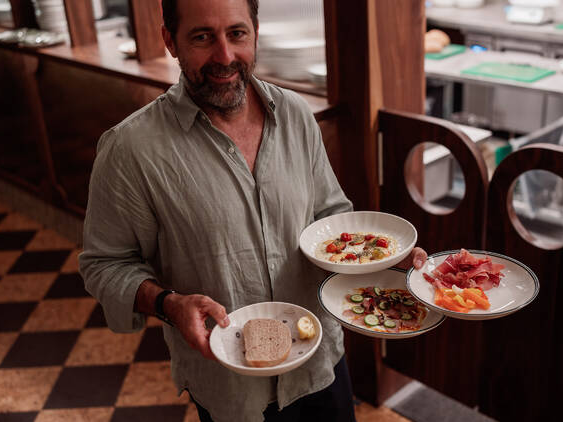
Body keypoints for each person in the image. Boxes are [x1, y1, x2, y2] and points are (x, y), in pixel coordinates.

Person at [79, 0, 427, 421]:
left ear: (256, 32)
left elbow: (331, 221)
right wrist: (169, 304)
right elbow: (104, 264)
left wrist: (384, 261)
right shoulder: (130, 149)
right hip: (229, 386)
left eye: (237, 34)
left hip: (319, 362)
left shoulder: (296, 115)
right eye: (203, 37)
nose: (225, 57)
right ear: (170, 41)